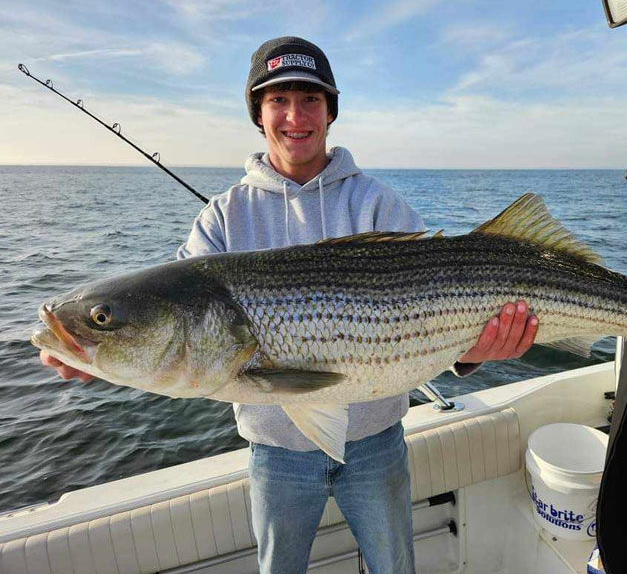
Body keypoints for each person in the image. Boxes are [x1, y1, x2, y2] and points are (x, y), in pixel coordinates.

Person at [40, 36, 539, 574]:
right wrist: (91, 349)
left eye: (310, 99)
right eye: (278, 100)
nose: (294, 115)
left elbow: (443, 313)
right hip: (275, 454)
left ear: (330, 112)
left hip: (377, 444)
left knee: (395, 567)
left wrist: (477, 352)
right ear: (258, 113)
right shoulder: (223, 217)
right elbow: (168, 306)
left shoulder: (376, 202)